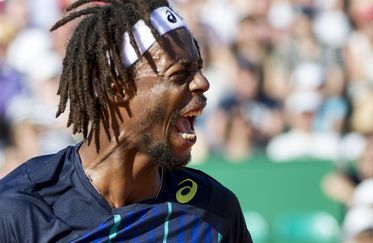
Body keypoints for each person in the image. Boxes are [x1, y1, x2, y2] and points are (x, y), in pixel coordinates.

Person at [0, 0, 252, 242]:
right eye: (179, 73)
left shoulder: (214, 212)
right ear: (116, 88)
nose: (202, 83)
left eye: (199, 68)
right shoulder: (19, 211)